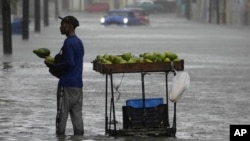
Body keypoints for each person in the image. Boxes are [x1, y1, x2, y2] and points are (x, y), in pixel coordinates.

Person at [44, 15, 84, 136]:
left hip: (66, 85)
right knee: (77, 117)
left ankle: (60, 137)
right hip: (78, 86)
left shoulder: (68, 43)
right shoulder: (79, 42)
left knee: (61, 116)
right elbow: (76, 61)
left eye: (63, 25)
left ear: (70, 26)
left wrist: (53, 66)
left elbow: (69, 62)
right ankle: (79, 136)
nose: (60, 27)